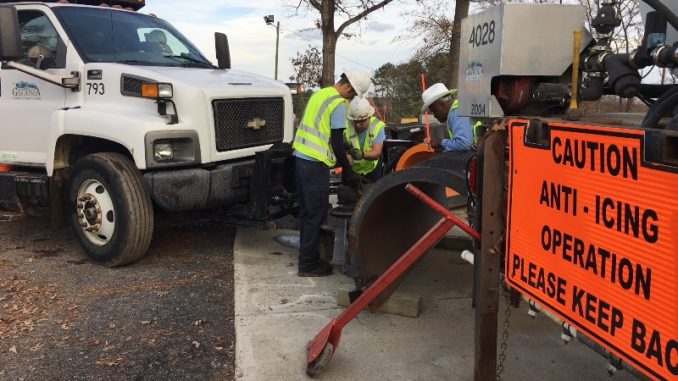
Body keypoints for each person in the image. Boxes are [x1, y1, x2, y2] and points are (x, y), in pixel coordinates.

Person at [292, 68, 372, 277]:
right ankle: (307, 265)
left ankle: (308, 256)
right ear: (348, 86)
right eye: (353, 94)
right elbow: (335, 141)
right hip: (315, 162)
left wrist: (347, 147)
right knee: (316, 212)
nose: (352, 98)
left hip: (300, 157)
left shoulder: (320, 93)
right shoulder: (338, 102)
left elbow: (325, 130)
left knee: (307, 211)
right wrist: (348, 170)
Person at [420, 83, 477, 152]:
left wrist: (440, 142)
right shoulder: (460, 108)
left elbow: (464, 144)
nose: (435, 115)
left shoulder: (457, 112)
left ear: (442, 104)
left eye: (435, 111)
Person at [344, 97, 386, 183]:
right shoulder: (345, 127)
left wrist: (362, 154)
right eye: (355, 121)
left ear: (369, 117)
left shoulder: (377, 126)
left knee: (374, 194)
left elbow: (377, 152)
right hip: (353, 170)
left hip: (372, 169)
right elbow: (340, 148)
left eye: (362, 121)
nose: (358, 125)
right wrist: (346, 157)